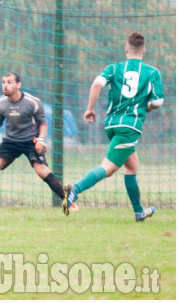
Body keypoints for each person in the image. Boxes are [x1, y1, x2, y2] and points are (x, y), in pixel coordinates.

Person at [63, 32, 163, 221]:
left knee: (132, 166)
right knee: (107, 169)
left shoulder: (114, 68)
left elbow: (96, 85)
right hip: (130, 127)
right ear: (144, 50)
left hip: (111, 125)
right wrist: (145, 106)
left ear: (126, 50)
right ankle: (75, 190)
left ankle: (138, 211)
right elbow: (158, 103)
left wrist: (90, 110)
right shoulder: (152, 72)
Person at [0, 72, 78, 211]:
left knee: (42, 171)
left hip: (30, 141)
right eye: (3, 82)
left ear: (18, 84)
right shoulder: (0, 104)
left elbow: (43, 123)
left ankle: (68, 201)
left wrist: (40, 140)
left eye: (9, 82)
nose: (5, 85)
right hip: (10, 141)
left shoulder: (32, 102)